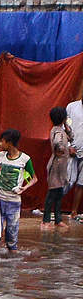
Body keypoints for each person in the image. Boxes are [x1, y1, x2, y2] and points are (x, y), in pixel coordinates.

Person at [0, 128, 36, 252]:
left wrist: (24, 188)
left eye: (2, 141)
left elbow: (33, 178)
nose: (0, 144)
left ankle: (11, 259)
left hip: (14, 201)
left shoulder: (24, 159)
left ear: (10, 143)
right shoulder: (0, 156)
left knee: (12, 233)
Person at [43, 106, 71, 231]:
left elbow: (71, 136)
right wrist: (63, 149)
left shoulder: (60, 130)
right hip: (56, 166)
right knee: (52, 194)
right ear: (63, 118)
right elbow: (57, 143)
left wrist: (66, 126)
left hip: (61, 167)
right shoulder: (58, 132)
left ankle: (58, 219)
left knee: (59, 193)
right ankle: (46, 220)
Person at [64, 93, 83, 223]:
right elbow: (65, 126)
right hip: (72, 150)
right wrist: (69, 146)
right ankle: (52, 207)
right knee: (68, 180)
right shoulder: (72, 107)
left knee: (81, 183)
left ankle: (74, 211)